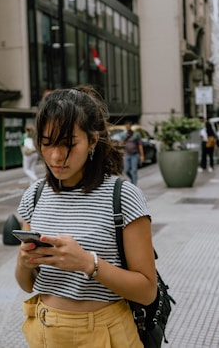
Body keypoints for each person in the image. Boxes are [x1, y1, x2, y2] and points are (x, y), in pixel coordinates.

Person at [15, 86, 157, 348]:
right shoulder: (34, 195)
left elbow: (148, 291)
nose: (56, 156)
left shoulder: (123, 195)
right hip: (44, 332)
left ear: (92, 141)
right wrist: (24, 263)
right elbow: (27, 285)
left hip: (105, 333)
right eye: (47, 144)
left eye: (68, 144)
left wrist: (88, 263)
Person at [119, 121, 144, 185]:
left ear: (130, 126)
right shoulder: (123, 135)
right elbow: (120, 144)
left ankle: (134, 184)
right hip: (127, 154)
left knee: (134, 170)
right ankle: (132, 179)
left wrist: (142, 155)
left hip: (134, 155)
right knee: (126, 170)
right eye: (126, 126)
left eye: (128, 126)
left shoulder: (135, 134)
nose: (127, 127)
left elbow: (140, 145)